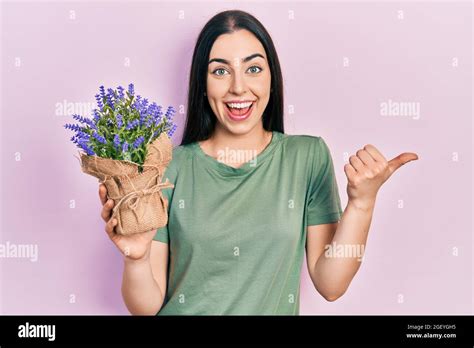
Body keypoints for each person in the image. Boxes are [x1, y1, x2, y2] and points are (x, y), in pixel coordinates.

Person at [99, 9, 419, 315]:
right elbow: (147, 308)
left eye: (253, 68)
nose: (238, 87)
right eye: (220, 70)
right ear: (203, 81)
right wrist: (136, 259)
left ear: (271, 77)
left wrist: (362, 203)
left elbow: (331, 283)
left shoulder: (307, 158)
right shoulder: (169, 167)